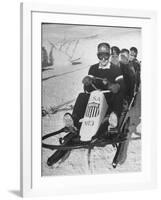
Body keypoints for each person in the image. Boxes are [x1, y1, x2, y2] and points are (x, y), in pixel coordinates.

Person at [46, 43, 126, 166]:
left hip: (109, 97)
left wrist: (116, 86)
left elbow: (122, 84)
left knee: (118, 95)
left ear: (109, 55)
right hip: (96, 97)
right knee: (82, 95)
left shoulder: (116, 69)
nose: (103, 59)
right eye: (101, 56)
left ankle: (114, 120)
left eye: (106, 55)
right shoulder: (93, 68)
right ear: (98, 56)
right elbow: (87, 88)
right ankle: (75, 119)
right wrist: (87, 82)